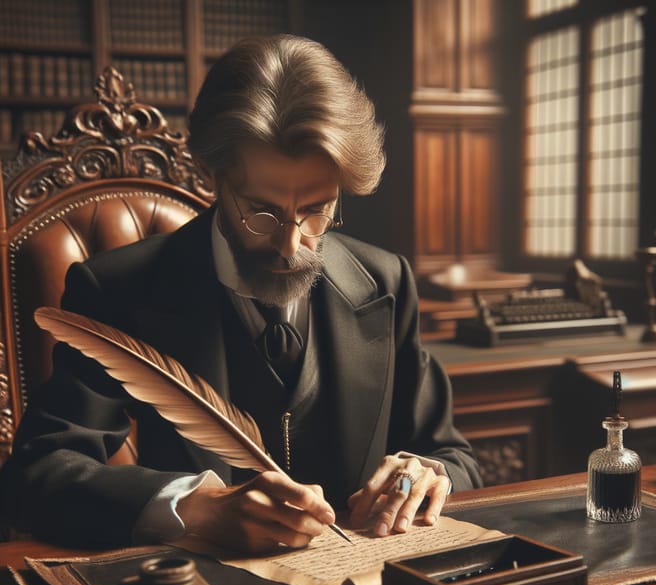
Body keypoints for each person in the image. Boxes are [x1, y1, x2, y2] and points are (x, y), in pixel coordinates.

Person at [0, 34, 481, 553]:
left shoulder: (386, 281)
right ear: (213, 176)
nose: (291, 244)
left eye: (318, 208)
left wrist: (426, 476)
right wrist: (187, 507)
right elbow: (34, 477)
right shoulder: (118, 290)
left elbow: (452, 455)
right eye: (263, 211)